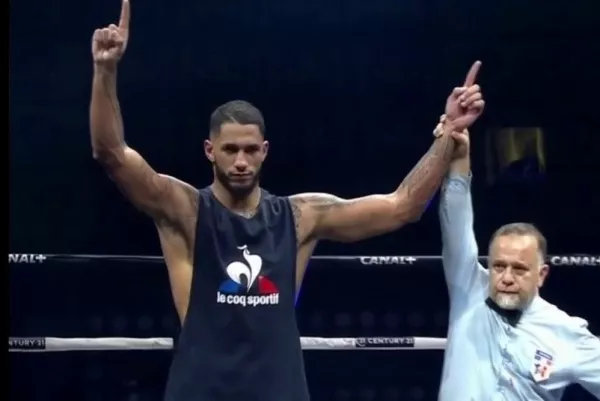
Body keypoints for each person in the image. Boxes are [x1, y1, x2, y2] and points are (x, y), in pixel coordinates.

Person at [89, 1, 484, 401]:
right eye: (230, 150)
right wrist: (106, 70)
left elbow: (402, 207)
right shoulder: (186, 210)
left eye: (249, 150)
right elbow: (111, 153)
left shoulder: (299, 216)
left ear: (264, 151)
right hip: (201, 390)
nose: (240, 161)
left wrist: (448, 131)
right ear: (210, 150)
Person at [436, 119, 600, 400]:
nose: (506, 278)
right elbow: (456, 226)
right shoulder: (470, 289)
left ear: (542, 274)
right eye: (498, 266)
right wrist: (459, 156)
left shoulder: (566, 331)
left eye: (520, 269)